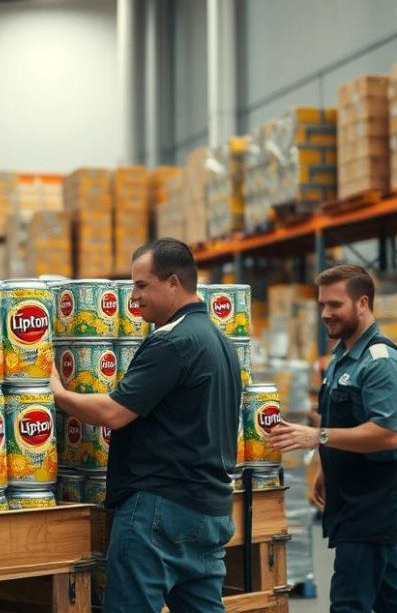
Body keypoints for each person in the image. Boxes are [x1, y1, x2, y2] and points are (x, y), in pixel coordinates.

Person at [50, 238, 241, 613]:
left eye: (141, 285)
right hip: (211, 510)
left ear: (173, 283)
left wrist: (58, 394)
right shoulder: (220, 341)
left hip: (160, 510)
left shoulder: (172, 342)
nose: (132, 297)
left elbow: (114, 412)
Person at [268, 264, 397, 613]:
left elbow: (387, 434)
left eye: (335, 305)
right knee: (390, 599)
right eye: (322, 305)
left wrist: (317, 437)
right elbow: (347, 419)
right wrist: (326, 468)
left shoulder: (380, 362)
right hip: (354, 492)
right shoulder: (341, 358)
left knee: (348, 601)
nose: (325, 314)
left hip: (376, 497)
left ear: (363, 303)